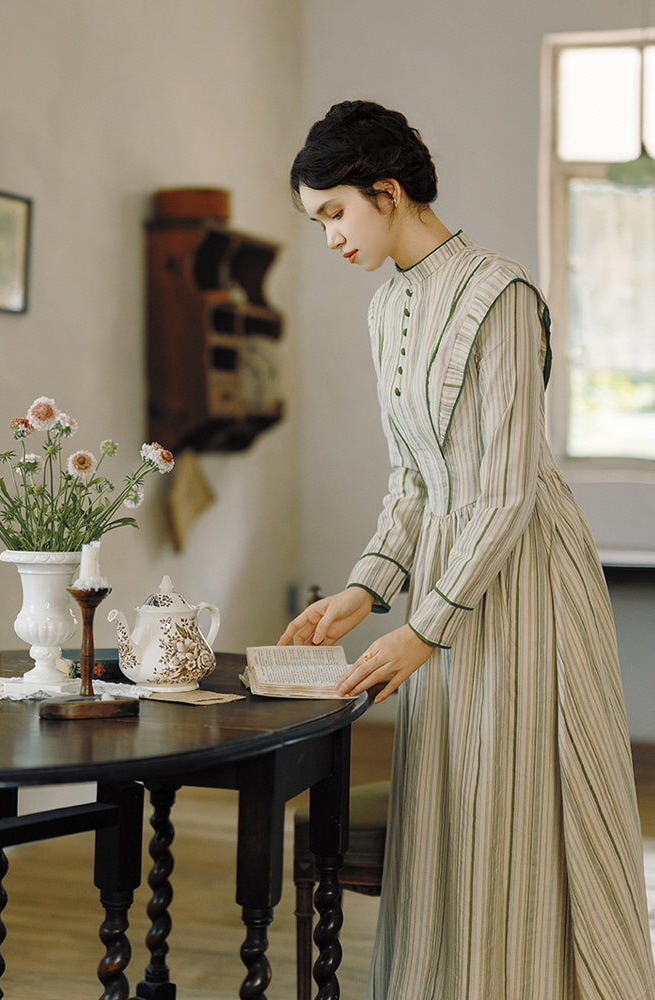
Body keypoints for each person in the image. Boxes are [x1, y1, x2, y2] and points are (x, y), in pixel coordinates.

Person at [279, 100, 655, 1000]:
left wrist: (423, 630)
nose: (330, 238)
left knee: (514, 804)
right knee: (455, 800)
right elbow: (413, 476)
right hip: (448, 582)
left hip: (525, 579)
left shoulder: (501, 295)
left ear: (387, 190)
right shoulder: (385, 310)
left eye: (335, 212)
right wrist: (365, 589)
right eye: (317, 222)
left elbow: (507, 489)